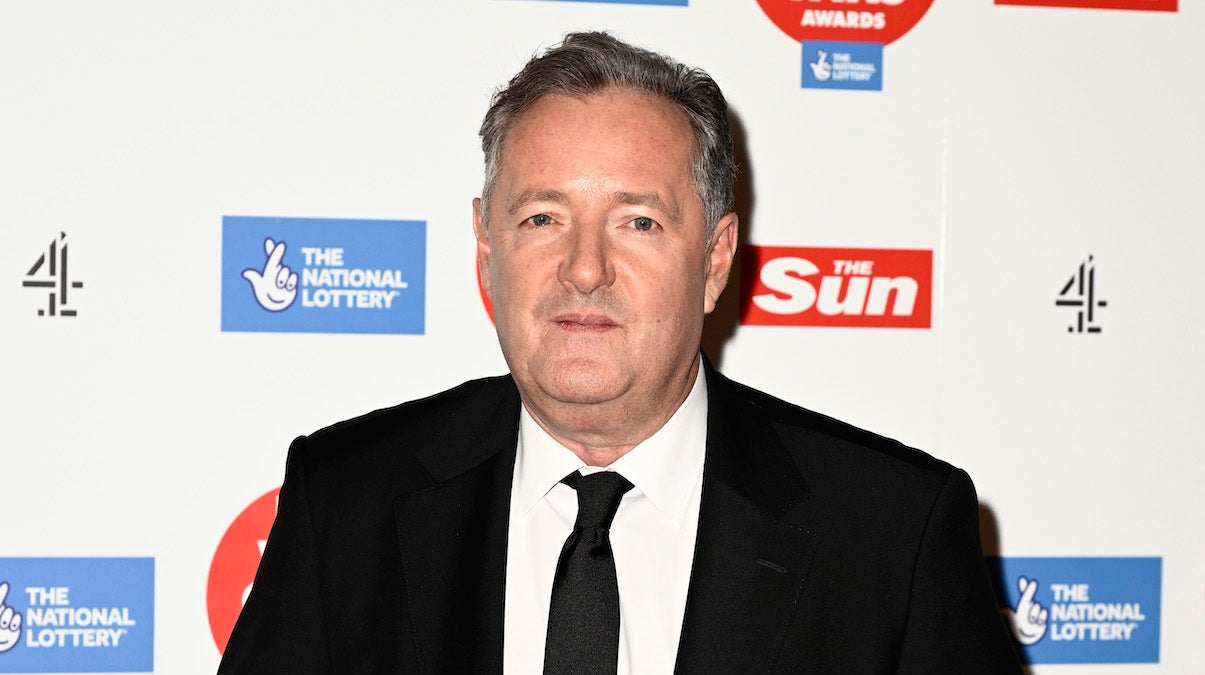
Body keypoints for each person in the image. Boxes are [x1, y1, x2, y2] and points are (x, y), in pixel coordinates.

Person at [218, 31, 1022, 673]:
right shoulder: (346, 500)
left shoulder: (891, 534)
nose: (584, 268)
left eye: (638, 222)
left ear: (714, 259)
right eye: (541, 218)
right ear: (485, 249)